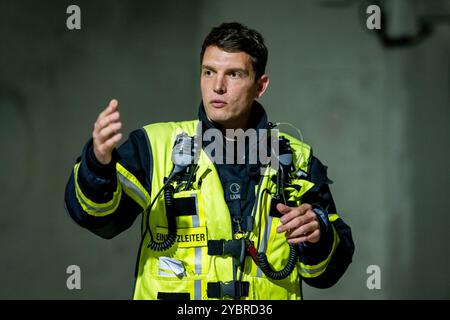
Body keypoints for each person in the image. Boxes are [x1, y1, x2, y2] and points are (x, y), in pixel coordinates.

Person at [64, 22, 355, 300]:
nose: (217, 86)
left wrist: (319, 234)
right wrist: (98, 163)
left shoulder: (297, 160)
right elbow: (98, 218)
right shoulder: (154, 147)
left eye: (234, 74)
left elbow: (325, 272)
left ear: (260, 85)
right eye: (208, 72)